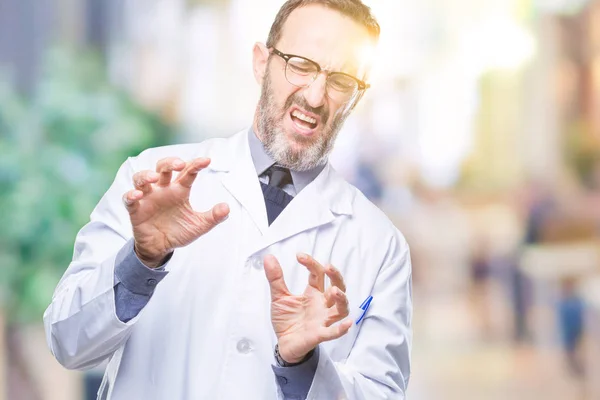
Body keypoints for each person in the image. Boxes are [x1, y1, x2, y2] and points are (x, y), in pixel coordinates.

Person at [43, 1, 413, 399]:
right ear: (261, 63)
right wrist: (141, 261)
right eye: (301, 64)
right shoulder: (150, 178)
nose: (316, 95)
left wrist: (304, 366)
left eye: (340, 80)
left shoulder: (380, 245)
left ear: (357, 97)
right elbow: (67, 342)